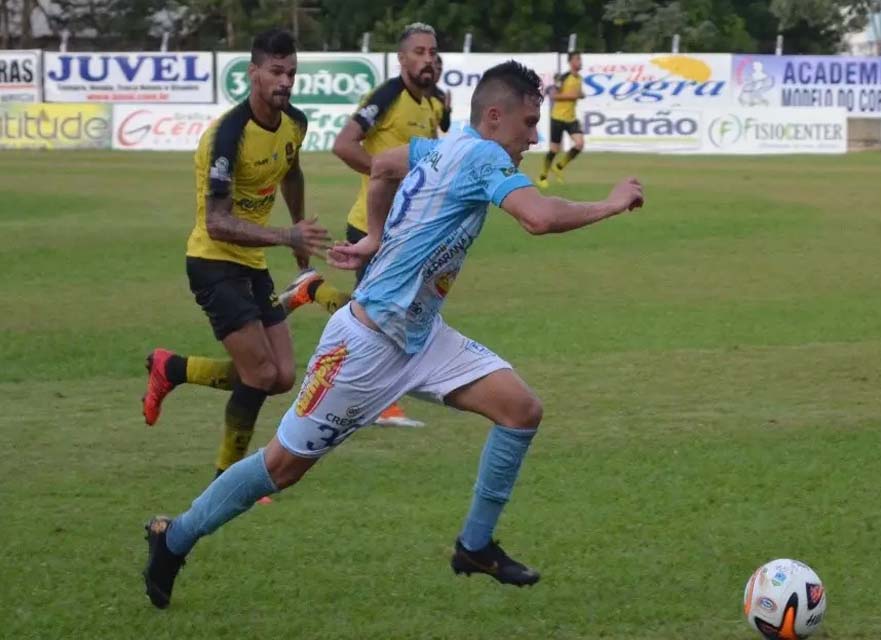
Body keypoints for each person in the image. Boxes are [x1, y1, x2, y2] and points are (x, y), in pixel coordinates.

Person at [141, 60, 644, 609]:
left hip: (422, 338)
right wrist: (613, 203)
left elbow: (382, 166)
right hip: (364, 346)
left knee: (521, 410)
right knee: (281, 468)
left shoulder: (439, 147)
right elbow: (538, 218)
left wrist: (374, 239)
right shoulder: (482, 157)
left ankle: (474, 547)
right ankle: (175, 537)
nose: (532, 137)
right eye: (528, 123)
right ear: (495, 117)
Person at [140, 28, 339, 483]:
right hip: (213, 262)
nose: (285, 81)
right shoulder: (227, 137)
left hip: (251, 261)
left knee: (283, 376)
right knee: (260, 373)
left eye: (291, 72)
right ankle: (227, 478)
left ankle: (170, 368)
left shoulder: (295, 122)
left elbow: (292, 171)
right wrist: (286, 235)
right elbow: (217, 222)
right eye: (275, 72)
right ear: (253, 74)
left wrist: (300, 237)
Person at [279, 22, 442, 428]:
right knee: (378, 315)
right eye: (419, 52)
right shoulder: (387, 96)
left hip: (406, 228)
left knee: (387, 310)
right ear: (402, 58)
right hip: (371, 226)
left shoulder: (434, 103)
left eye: (433, 52)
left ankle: (311, 290)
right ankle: (382, 404)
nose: (428, 59)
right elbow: (343, 143)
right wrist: (383, 173)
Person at [537, 51, 585, 188]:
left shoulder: (579, 78)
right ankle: (542, 176)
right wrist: (572, 96)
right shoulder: (563, 78)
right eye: (577, 59)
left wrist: (580, 95)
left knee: (579, 144)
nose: (580, 62)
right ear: (570, 62)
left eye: (580, 59)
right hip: (557, 118)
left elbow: (578, 94)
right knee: (554, 149)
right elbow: (553, 95)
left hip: (571, 118)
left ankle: (559, 166)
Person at [429, 54, 452, 134]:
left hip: (428, 144)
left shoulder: (440, 95)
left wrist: (447, 109)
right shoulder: (414, 90)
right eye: (435, 69)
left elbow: (444, 127)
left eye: (440, 69)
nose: (438, 72)